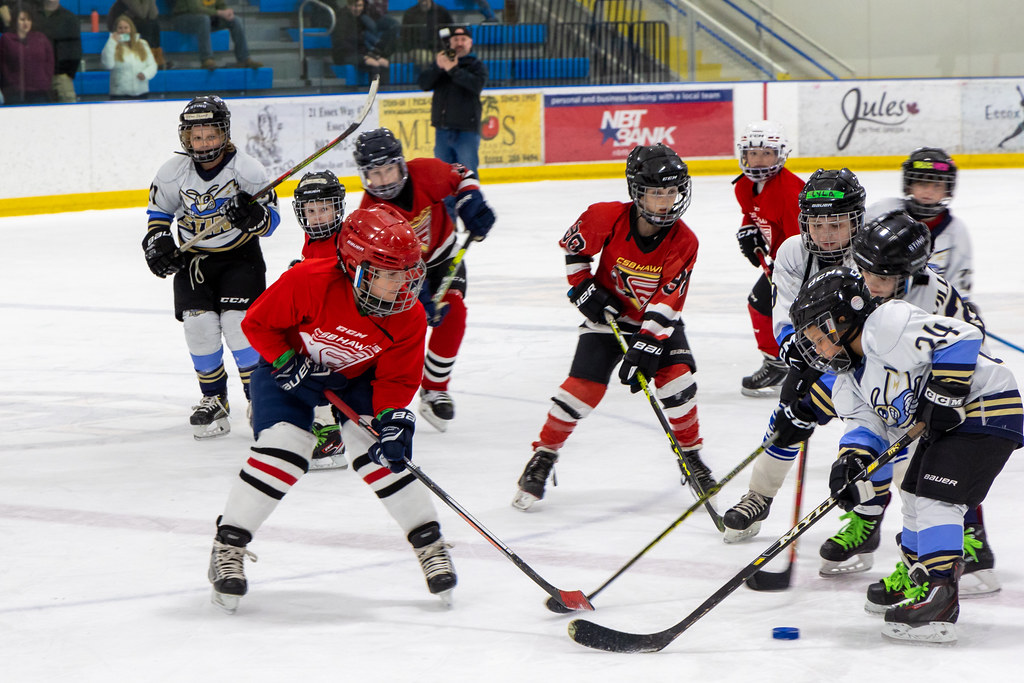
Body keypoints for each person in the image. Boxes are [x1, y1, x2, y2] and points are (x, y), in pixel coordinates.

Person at [207, 204, 459, 612]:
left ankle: (429, 544)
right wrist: (290, 364)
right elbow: (256, 323)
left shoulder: (409, 315)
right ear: (356, 267)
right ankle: (228, 546)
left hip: (355, 381)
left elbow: (395, 381)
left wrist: (394, 420)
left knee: (379, 453)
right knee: (285, 448)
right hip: (286, 370)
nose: (404, 286)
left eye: (409, 273)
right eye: (390, 275)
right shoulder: (309, 280)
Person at [789, 266, 1021, 643]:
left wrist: (945, 388)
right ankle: (920, 580)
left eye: (819, 337)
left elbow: (962, 336)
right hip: (952, 427)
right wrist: (853, 462)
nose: (817, 348)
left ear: (845, 318)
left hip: (986, 407)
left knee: (935, 498)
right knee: (913, 495)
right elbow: (868, 427)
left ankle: (939, 596)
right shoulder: (849, 380)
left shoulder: (888, 323)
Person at [511, 143, 714, 511]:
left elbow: (669, 302)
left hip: (657, 324)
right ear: (637, 192)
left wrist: (647, 345)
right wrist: (582, 286)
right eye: (656, 193)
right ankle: (543, 455)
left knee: (679, 383)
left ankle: (692, 456)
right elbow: (576, 250)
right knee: (580, 390)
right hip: (607, 319)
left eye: (671, 192)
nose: (666, 202)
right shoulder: (605, 217)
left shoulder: (685, 240)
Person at [721, 168, 864, 542]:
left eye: (836, 224)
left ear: (856, 221)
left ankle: (874, 521)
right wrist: (798, 357)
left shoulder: (872, 257)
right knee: (786, 418)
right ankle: (759, 496)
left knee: (876, 439)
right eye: (817, 225)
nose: (826, 235)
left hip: (871, 368)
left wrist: (829, 376)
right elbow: (784, 314)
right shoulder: (792, 252)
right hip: (816, 353)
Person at [144, 96, 280, 439]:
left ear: (225, 134)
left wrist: (253, 217)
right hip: (196, 260)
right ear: (185, 138)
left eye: (211, 135)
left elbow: (271, 220)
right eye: (196, 137)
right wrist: (158, 243)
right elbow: (159, 215)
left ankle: (258, 398)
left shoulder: (247, 170)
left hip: (240, 257)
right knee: (199, 327)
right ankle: (214, 399)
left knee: (239, 325)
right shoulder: (173, 171)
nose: (204, 143)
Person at [352, 127, 496, 432]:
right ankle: (382, 391)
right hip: (398, 274)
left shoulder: (426, 172)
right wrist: (414, 295)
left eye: (388, 169)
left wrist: (470, 200)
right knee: (404, 330)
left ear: (401, 164)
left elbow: (462, 174)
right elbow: (377, 269)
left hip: (442, 258)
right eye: (374, 174)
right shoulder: (370, 212)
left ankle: (434, 389)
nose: (383, 181)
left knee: (453, 312)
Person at [732, 121, 805, 397]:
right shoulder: (743, 187)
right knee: (762, 305)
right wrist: (748, 228)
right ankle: (779, 362)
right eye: (753, 153)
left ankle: (782, 363)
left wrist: (784, 270)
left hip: (800, 263)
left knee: (768, 305)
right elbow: (751, 212)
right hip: (780, 260)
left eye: (766, 153)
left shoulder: (790, 193)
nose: (759, 160)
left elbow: (802, 242)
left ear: (780, 155)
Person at [289, 169, 350, 470]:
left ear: (337, 208)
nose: (316, 217)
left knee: (307, 361)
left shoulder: (349, 240)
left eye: (324, 209)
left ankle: (329, 435)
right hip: (329, 327)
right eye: (310, 211)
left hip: (346, 333)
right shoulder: (311, 241)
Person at [867, 148, 972, 300]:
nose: (929, 192)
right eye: (922, 183)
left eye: (937, 185)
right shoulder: (883, 211)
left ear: (947, 189)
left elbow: (959, 283)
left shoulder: (957, 232)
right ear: (909, 184)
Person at [417, 25, 487, 175]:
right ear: (450, 42)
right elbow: (424, 84)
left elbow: (475, 85)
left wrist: (453, 69)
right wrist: (437, 67)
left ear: (470, 43)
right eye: (455, 39)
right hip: (442, 130)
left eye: (463, 39)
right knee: (443, 176)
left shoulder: (477, 66)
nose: (459, 43)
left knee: (467, 175)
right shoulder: (441, 64)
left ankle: (469, 199)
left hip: (466, 131)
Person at [172, 0, 261, 70]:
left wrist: (227, 12)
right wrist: (220, 13)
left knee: (235, 20)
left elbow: (221, 5)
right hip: (184, 19)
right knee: (203, 19)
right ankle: (207, 59)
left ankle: (243, 59)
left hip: (208, 18)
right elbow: (195, 9)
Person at [0, 6, 54, 105]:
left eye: (29, 19)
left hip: (39, 92)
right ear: (15, 21)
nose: (26, 23)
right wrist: (11, 83)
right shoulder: (6, 39)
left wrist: (45, 81)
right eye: (22, 19)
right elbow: (3, 65)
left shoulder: (41, 38)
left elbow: (49, 62)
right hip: (15, 93)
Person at [331, 0, 394, 83]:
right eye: (355, 6)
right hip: (344, 55)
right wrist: (363, 58)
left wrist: (372, 56)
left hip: (359, 54)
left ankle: (383, 93)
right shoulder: (341, 19)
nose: (358, 9)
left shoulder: (359, 19)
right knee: (374, 65)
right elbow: (341, 43)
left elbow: (361, 43)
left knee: (384, 63)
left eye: (360, 6)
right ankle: (372, 94)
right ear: (349, 6)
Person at [33, 0, 81, 103]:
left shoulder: (70, 18)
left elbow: (75, 50)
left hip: (61, 76)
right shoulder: (32, 17)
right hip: (36, 77)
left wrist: (67, 75)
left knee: (68, 115)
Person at [100, 15, 157, 100]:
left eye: (126, 28)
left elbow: (153, 65)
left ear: (131, 29)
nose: (123, 30)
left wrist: (145, 74)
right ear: (116, 30)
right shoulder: (112, 45)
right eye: (120, 28)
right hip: (119, 95)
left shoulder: (143, 44)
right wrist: (112, 42)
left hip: (141, 93)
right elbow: (108, 65)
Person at [106, 0, 165, 69]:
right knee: (147, 27)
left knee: (155, 25)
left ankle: (156, 60)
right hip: (119, 31)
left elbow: (153, 15)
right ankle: (146, 59)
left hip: (131, 24)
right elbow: (142, 14)